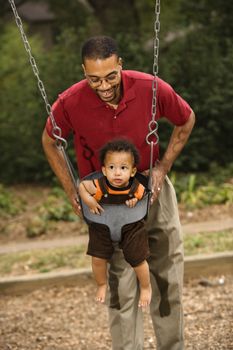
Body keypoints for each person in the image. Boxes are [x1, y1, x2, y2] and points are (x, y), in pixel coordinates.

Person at [42, 36, 195, 350]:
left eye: (110, 76)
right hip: (104, 200)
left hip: (151, 190)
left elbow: (185, 118)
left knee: (167, 278)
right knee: (121, 287)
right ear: (83, 72)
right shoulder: (71, 101)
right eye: (93, 79)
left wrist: (162, 167)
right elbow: (49, 140)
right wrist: (72, 190)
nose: (104, 85)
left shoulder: (150, 88)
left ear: (121, 65)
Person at [78, 138, 151, 307]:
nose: (117, 173)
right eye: (112, 168)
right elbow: (82, 186)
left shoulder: (135, 185)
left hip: (131, 226)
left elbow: (143, 193)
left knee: (137, 258)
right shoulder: (98, 185)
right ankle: (102, 284)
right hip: (101, 225)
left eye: (123, 168)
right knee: (97, 257)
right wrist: (88, 200)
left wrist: (134, 200)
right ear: (104, 170)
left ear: (132, 172)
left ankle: (146, 287)